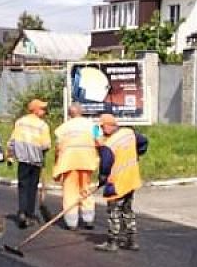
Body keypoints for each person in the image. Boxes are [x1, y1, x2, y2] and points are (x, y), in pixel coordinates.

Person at [94, 113, 149, 253]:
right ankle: (132, 240)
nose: (101, 129)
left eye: (102, 126)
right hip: (131, 179)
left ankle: (112, 242)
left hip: (117, 182)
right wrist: (137, 154)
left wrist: (102, 178)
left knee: (114, 211)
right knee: (127, 209)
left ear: (108, 126)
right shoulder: (129, 133)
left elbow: (105, 167)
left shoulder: (110, 144)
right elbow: (143, 142)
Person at [52, 102, 100, 231]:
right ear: (82, 112)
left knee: (70, 191)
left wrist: (56, 164)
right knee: (85, 188)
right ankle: (88, 219)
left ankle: (71, 222)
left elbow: (57, 148)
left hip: (68, 163)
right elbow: (100, 142)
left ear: (69, 114)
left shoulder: (63, 128)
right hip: (87, 161)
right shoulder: (93, 126)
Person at [6, 98, 51, 229]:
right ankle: (29, 214)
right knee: (32, 188)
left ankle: (22, 212)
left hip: (23, 160)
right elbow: (46, 145)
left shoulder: (20, 122)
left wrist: (9, 157)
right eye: (42, 108)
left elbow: (12, 141)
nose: (44, 111)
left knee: (23, 186)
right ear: (36, 110)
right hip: (36, 161)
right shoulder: (43, 126)